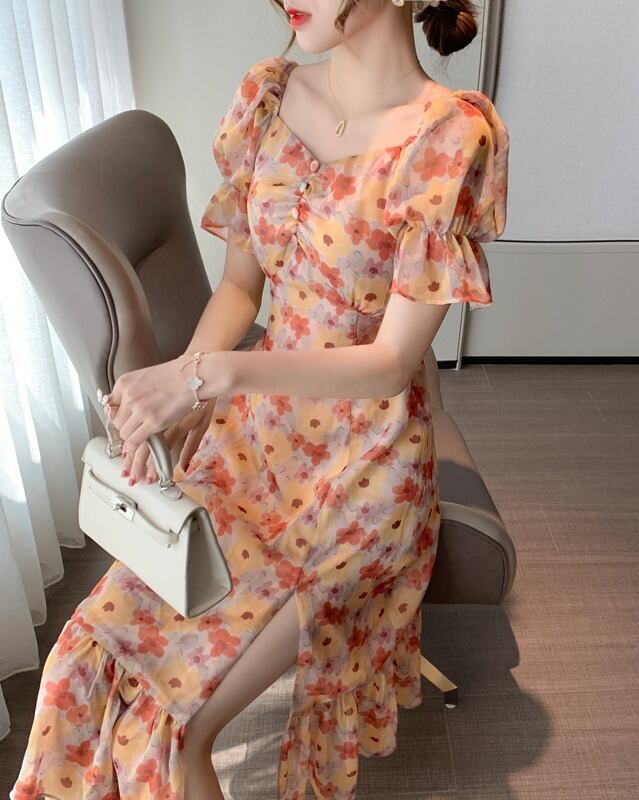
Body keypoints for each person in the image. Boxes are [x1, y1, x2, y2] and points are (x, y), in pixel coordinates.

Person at [10, 0, 509, 797]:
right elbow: (241, 289)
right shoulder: (269, 96)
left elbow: (390, 365)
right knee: (78, 662)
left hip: (363, 475)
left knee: (174, 731)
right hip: (253, 445)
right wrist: (178, 398)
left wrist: (208, 377)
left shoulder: (449, 137)